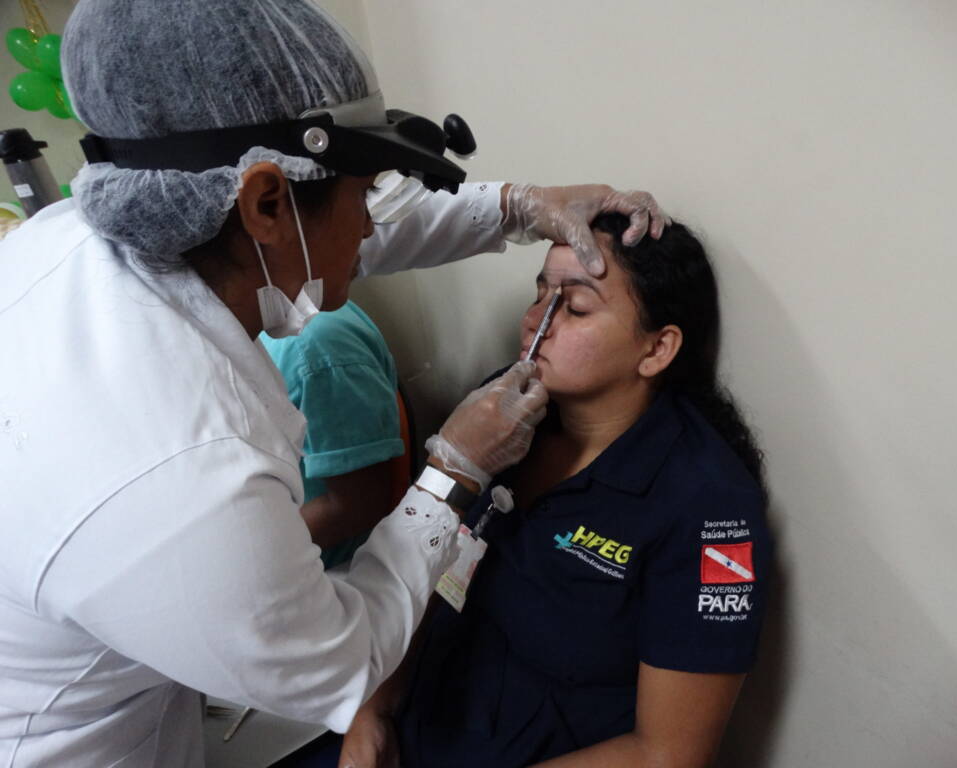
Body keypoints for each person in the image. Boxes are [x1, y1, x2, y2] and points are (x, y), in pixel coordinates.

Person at [0, 1, 672, 766]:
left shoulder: (78, 237)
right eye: (366, 193)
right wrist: (452, 473)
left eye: (574, 304)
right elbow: (345, 659)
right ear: (265, 203)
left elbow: (322, 235)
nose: (371, 224)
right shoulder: (183, 479)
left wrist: (519, 206)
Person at [342, 215, 772, 768]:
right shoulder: (501, 410)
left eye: (575, 308)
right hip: (417, 728)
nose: (534, 323)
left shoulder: (707, 504)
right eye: (539, 294)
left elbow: (667, 753)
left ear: (657, 349)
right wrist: (372, 709)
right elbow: (425, 566)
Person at [261, 302, 408, 570]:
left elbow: (357, 505)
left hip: (323, 569)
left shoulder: (316, 348)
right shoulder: (259, 331)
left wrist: (255, 556)